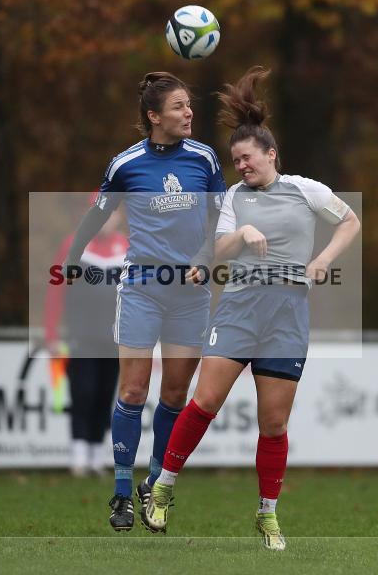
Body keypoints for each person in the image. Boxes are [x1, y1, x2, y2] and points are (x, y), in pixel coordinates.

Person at [142, 66, 361, 550]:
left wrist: (323, 260)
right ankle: (162, 489)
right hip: (239, 310)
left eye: (247, 158)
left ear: (270, 155)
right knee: (204, 402)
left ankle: (267, 515)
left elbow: (350, 221)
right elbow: (216, 250)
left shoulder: (306, 190)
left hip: (287, 316)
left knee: (274, 424)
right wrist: (241, 232)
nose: (241, 166)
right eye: (235, 160)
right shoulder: (233, 199)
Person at [60, 72, 226, 531]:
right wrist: (72, 259)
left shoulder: (205, 159)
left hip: (191, 295)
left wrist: (205, 258)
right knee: (133, 391)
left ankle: (153, 484)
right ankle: (120, 493)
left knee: (174, 394)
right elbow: (97, 214)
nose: (188, 113)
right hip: (141, 289)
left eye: (189, 104)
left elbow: (222, 219)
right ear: (154, 116)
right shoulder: (125, 164)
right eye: (178, 106)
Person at [44, 199, 128, 477]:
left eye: (110, 214)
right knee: (83, 391)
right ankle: (78, 453)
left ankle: (96, 454)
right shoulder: (73, 245)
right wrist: (51, 333)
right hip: (81, 333)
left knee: (106, 393)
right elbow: (56, 292)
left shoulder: (126, 248)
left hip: (114, 337)